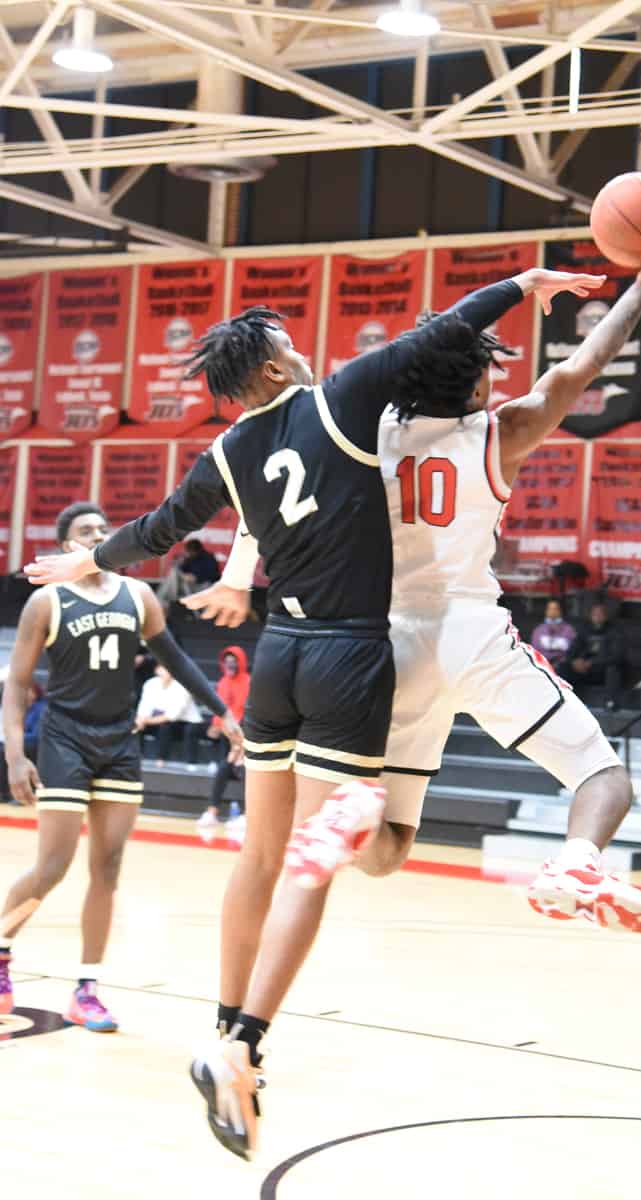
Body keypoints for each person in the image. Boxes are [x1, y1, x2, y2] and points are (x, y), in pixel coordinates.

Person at [25, 264, 601, 1160]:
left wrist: (87, 564)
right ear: (266, 372)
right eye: (286, 344)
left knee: (258, 857)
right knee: (313, 863)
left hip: (279, 656)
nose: (300, 350)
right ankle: (246, 1045)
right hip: (346, 655)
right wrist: (526, 281)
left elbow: (158, 528)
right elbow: (444, 333)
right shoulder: (334, 402)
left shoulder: (222, 454)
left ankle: (224, 1025)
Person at [0, 502, 242, 1030]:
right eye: (86, 531)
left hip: (119, 740)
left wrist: (222, 711)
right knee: (53, 867)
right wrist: (16, 755)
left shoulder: (138, 595)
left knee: (107, 867)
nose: (99, 536)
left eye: (104, 530)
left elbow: (175, 659)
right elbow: (17, 684)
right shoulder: (46, 601)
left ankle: (87, 989)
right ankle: (1, 951)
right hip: (65, 738)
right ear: (68, 547)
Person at [197, 645, 251, 838]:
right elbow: (220, 710)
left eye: (234, 660)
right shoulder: (223, 682)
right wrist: (218, 725)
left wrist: (240, 746)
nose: (230, 664)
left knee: (246, 771)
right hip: (230, 737)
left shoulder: (248, 682)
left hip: (247, 738)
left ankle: (247, 815)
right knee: (223, 769)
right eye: (227, 660)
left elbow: (245, 713)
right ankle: (212, 812)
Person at [557, 601, 626, 708]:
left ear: (606, 616)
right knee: (564, 667)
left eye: (600, 614)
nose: (597, 616)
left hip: (602, 670)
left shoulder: (615, 631)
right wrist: (574, 661)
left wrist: (592, 663)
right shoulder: (584, 630)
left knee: (613, 669)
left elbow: (617, 656)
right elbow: (572, 650)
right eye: (595, 614)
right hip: (585, 669)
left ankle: (610, 703)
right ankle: (563, 700)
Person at [134, 663, 204, 767]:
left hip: (185, 721)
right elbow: (145, 706)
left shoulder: (182, 687)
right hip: (159, 719)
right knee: (135, 726)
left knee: (165, 727)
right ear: (157, 670)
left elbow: (172, 715)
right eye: (162, 668)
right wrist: (140, 719)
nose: (165, 672)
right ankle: (136, 757)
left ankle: (163, 759)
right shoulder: (150, 684)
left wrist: (145, 721)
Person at [0, 681, 45, 803]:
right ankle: (4, 793)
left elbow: (37, 734)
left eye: (28, 691)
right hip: (25, 742)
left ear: (35, 693)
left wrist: (15, 741)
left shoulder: (40, 708)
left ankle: (16, 794)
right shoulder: (24, 709)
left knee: (6, 750)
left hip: (37, 744)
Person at [157, 537, 222, 613]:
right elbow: (182, 571)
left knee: (206, 585)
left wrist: (196, 577)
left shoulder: (209, 558)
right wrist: (182, 564)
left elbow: (213, 576)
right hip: (189, 586)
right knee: (173, 573)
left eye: (190, 551)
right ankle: (162, 599)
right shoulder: (189, 558)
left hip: (205, 586)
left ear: (197, 550)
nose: (188, 553)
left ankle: (162, 598)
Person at [530, 599, 576, 669]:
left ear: (560, 611)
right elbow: (535, 650)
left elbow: (570, 649)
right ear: (546, 611)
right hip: (542, 665)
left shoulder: (569, 629)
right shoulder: (538, 630)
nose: (552, 612)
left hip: (562, 666)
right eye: (550, 609)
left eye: (555, 609)